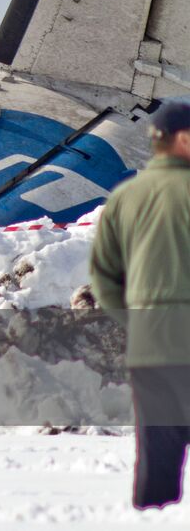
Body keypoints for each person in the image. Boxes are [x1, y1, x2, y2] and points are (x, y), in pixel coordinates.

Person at [90, 98, 190, 509]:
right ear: (184, 140)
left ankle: (152, 517)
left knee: (158, 452)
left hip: (149, 343)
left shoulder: (124, 197)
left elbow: (103, 277)